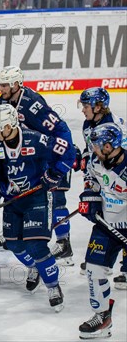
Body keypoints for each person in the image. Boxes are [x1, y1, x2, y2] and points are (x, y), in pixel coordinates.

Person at [0, 104, 74, 312]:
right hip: (13, 201)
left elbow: (68, 152)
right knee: (13, 244)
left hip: (37, 198)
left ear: (9, 125)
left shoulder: (36, 139)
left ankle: (53, 286)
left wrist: (55, 174)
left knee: (36, 246)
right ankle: (35, 267)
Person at [0, 66, 78, 267]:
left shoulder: (32, 104)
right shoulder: (4, 101)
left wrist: (64, 155)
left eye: (4, 85)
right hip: (30, 154)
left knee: (55, 197)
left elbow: (60, 128)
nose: (1, 89)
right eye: (0, 85)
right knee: (20, 189)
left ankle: (64, 243)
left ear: (16, 84)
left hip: (49, 152)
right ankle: (18, 231)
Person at [77, 123, 126, 339]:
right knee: (94, 270)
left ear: (108, 146)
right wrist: (90, 198)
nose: (93, 149)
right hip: (106, 225)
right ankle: (102, 315)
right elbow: (92, 180)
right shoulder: (96, 160)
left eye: (96, 145)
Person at [78, 87, 127, 290]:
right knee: (105, 214)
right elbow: (91, 152)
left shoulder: (114, 127)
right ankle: (104, 257)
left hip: (118, 178)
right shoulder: (88, 124)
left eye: (86, 105)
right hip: (101, 174)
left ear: (99, 106)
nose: (83, 110)